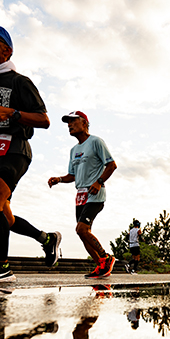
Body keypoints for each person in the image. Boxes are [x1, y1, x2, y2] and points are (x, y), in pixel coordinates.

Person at [0, 24, 62, 283]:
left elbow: (44, 120)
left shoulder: (20, 82)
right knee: (2, 212)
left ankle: (2, 267)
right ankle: (47, 238)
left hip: (16, 148)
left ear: (6, 49)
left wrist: (13, 113)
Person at [48, 111, 118, 278]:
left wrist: (99, 182)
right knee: (82, 233)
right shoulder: (74, 150)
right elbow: (72, 176)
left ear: (85, 123)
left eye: (73, 121)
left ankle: (106, 258)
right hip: (80, 195)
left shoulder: (96, 142)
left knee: (82, 229)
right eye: (68, 123)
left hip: (95, 192)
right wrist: (59, 179)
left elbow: (112, 165)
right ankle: (101, 266)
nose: (69, 125)